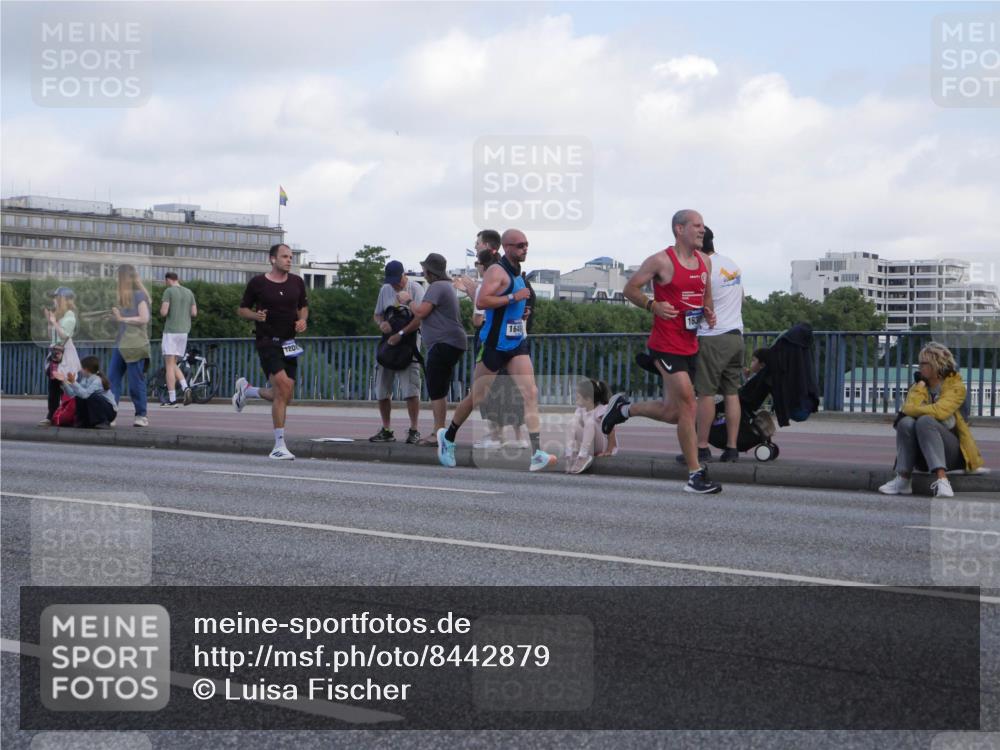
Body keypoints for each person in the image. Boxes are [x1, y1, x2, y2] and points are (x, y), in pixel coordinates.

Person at [601, 209, 722, 494]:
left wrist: (708, 314)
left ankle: (624, 409)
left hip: (691, 344)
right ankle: (695, 475)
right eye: (697, 225)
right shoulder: (661, 261)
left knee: (673, 413)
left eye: (703, 226)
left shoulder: (705, 261)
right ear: (679, 229)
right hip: (666, 346)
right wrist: (652, 306)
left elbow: (705, 298)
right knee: (689, 406)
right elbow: (630, 289)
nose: (702, 230)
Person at [436, 228, 557, 472]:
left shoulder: (517, 273)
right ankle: (447, 438)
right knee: (477, 397)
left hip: (515, 343)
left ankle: (537, 454)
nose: (525, 249)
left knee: (530, 392)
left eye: (527, 244)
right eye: (520, 245)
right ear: (507, 247)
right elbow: (482, 302)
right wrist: (514, 298)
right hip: (494, 344)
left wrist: (521, 312)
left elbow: (511, 304)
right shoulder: (497, 271)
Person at [879, 343, 986, 498]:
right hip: (923, 454)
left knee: (925, 421)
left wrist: (918, 411)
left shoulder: (955, 386)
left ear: (936, 364)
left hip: (953, 453)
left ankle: (943, 481)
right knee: (906, 422)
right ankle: (903, 480)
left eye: (924, 363)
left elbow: (940, 412)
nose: (919, 367)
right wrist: (920, 388)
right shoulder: (918, 386)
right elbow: (907, 410)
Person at [232, 243, 309, 460]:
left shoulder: (297, 282)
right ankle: (278, 445)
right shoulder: (258, 283)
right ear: (272, 259)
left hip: (290, 343)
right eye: (285, 256)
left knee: (285, 396)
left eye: (291, 256)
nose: (289, 260)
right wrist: (255, 316)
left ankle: (248, 391)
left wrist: (302, 320)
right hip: (267, 341)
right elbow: (242, 309)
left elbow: (303, 306)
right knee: (283, 387)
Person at [676, 226, 744, 464]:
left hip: (713, 336)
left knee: (705, 393)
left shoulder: (705, 266)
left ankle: (701, 447)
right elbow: (741, 297)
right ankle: (732, 448)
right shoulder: (731, 264)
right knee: (731, 393)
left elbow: (698, 304)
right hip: (736, 335)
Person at [386, 253, 467, 446]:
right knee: (441, 388)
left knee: (436, 389)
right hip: (453, 342)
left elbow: (421, 312)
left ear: (430, 272)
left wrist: (407, 300)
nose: (423, 273)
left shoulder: (437, 287)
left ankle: (438, 434)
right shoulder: (447, 286)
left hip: (442, 343)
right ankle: (440, 431)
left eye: (425, 270)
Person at [371, 260, 424, 444]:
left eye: (397, 280)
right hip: (388, 345)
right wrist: (381, 324)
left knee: (411, 389)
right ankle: (386, 429)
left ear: (404, 275)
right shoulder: (385, 289)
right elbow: (377, 314)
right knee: (382, 389)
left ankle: (414, 429)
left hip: (408, 345)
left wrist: (401, 334)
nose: (394, 284)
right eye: (391, 281)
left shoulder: (415, 289)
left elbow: (420, 318)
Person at [108, 264, 151, 427]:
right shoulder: (123, 297)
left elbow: (144, 318)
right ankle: (111, 414)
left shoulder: (139, 295)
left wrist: (122, 319)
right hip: (121, 343)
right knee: (112, 380)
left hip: (135, 344)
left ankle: (141, 415)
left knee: (135, 381)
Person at [39, 287, 80, 426]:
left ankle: (67, 414)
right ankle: (52, 415)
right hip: (55, 354)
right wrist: (50, 322)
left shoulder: (70, 315)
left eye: (57, 298)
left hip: (65, 355)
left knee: (65, 385)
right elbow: (51, 336)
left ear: (65, 300)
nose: (54, 300)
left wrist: (54, 322)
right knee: (53, 386)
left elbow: (64, 335)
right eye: (54, 298)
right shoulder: (59, 316)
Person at [159, 272, 198, 407]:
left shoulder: (168, 291)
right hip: (184, 332)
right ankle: (185, 387)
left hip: (171, 331)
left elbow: (163, 312)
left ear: (168, 280)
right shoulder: (189, 292)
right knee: (174, 364)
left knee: (169, 365)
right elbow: (194, 313)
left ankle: (172, 399)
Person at [565, 378, 619, 475]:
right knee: (571, 423)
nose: (575, 399)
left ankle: (583, 456)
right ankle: (569, 455)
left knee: (590, 423)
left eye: (578, 397)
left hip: (600, 445)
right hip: (588, 444)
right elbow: (574, 428)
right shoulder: (580, 410)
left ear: (588, 399)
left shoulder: (601, 410)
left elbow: (611, 430)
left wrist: (609, 450)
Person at [51, 355, 117, 428]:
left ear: (87, 369)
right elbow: (73, 394)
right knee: (79, 396)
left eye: (81, 368)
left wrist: (73, 382)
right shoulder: (85, 379)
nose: (80, 370)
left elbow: (85, 395)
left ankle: (103, 421)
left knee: (92, 397)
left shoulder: (97, 380)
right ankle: (83, 421)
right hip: (100, 409)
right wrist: (63, 382)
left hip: (110, 412)